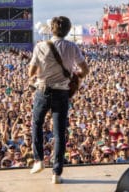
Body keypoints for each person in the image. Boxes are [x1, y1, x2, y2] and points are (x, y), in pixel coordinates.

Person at [28, 16, 89, 184]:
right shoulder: (72, 47)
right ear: (68, 30)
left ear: (52, 29)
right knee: (59, 133)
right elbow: (85, 69)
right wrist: (77, 77)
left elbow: (31, 72)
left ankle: (38, 160)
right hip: (62, 93)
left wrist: (43, 68)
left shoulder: (40, 46)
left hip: (43, 90)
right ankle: (56, 173)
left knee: (37, 124)